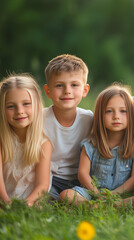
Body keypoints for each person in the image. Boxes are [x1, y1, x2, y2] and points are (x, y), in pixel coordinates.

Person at [0, 74, 52, 209]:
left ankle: (19, 211)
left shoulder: (43, 143)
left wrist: (26, 204)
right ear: (2, 109)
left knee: (37, 206)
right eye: (11, 106)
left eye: (26, 104)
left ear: (37, 105)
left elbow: (42, 185)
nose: (19, 111)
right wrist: (5, 201)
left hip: (26, 192)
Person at [59, 85, 134, 205]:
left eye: (123, 111)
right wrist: (97, 194)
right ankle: (93, 206)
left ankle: (113, 205)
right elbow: (82, 174)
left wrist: (114, 194)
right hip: (91, 193)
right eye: (109, 111)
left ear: (131, 114)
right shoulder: (91, 144)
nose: (116, 116)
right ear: (100, 115)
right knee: (66, 195)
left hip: (122, 194)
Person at [43, 54, 93, 200]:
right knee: (42, 200)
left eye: (74, 85)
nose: (67, 90)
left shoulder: (89, 119)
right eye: (59, 85)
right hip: (50, 178)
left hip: (81, 181)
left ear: (85, 90)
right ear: (48, 91)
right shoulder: (40, 119)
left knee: (71, 198)